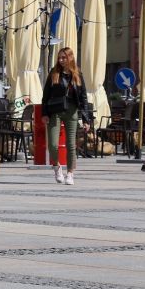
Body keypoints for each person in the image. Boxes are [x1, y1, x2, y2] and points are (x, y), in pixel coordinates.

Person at [41, 46, 87, 186]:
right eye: (59, 58)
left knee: (71, 145)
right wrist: (44, 113)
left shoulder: (77, 74)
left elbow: (83, 97)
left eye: (64, 57)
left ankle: (70, 173)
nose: (61, 60)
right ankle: (57, 167)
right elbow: (46, 95)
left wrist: (86, 119)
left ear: (70, 58)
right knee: (53, 145)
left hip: (72, 111)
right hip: (55, 111)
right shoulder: (54, 72)